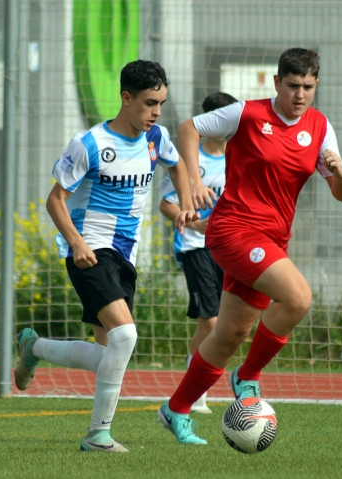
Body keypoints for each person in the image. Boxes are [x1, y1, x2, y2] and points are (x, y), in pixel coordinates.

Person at [157, 47, 342, 444]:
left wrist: (340, 173)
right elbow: (187, 128)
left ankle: (175, 409)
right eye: (294, 85)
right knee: (298, 298)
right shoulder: (246, 113)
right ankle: (247, 377)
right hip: (233, 229)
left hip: (273, 238)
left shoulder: (319, 127)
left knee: (229, 334)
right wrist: (193, 181)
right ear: (278, 83)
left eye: (309, 87)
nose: (301, 95)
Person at [14, 60, 198, 453]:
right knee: (126, 336)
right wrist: (77, 242)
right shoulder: (90, 144)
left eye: (162, 104)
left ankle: (35, 348)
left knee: (108, 355)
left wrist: (184, 202)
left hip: (124, 256)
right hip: (90, 253)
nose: (156, 112)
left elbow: (178, 164)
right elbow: (55, 200)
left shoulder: (156, 138)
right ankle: (98, 436)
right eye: (150, 103)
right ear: (126, 98)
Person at [158, 92, 238, 415]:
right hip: (196, 246)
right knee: (211, 319)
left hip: (230, 247)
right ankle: (195, 392)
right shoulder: (193, 162)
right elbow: (166, 203)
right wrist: (193, 224)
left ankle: (196, 386)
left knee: (227, 323)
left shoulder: (239, 155)